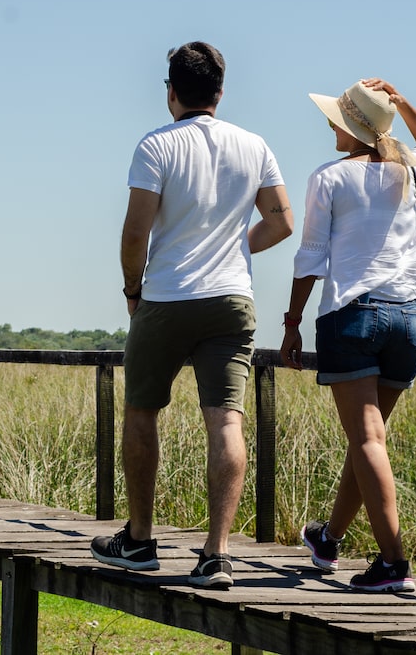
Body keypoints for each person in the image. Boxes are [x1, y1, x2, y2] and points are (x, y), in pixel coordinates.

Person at [90, 41, 293, 590]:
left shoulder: (156, 145)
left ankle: (139, 540)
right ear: (220, 92)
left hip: (166, 295)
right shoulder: (254, 145)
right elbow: (281, 222)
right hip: (231, 298)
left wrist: (133, 289)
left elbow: (135, 232)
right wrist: (235, 249)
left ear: (171, 92)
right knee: (226, 420)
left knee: (141, 411)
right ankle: (216, 555)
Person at [281, 78, 416, 593]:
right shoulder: (406, 168)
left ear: (352, 127)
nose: (329, 125)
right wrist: (402, 103)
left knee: (367, 440)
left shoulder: (329, 177)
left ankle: (394, 563)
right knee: (367, 441)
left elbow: (311, 257)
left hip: (353, 317)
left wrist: (292, 322)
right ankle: (328, 539)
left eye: (336, 119)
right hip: (408, 322)